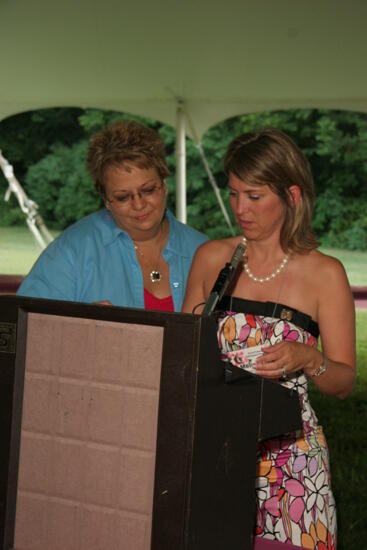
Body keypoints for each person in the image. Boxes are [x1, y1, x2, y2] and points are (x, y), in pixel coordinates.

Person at [182, 128, 355, 549]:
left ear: (292, 196)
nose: (240, 208)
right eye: (235, 193)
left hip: (292, 466)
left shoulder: (324, 273)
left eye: (254, 196)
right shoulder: (211, 258)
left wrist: (308, 357)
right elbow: (181, 357)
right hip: (215, 454)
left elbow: (343, 382)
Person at [17, 121, 208, 311]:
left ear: (164, 186)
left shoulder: (202, 251)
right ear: (106, 200)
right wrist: (77, 324)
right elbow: (24, 322)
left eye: (148, 190)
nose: (139, 204)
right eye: (123, 197)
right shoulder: (73, 250)